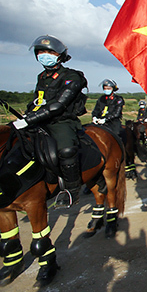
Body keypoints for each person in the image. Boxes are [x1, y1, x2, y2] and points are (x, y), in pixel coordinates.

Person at [13, 35, 88, 208]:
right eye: (41, 52)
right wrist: (26, 116)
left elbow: (58, 106)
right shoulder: (42, 77)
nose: (44, 54)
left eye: (49, 51)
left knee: (66, 149)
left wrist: (30, 119)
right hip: (39, 120)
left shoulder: (72, 76)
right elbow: (37, 101)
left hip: (61, 122)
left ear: (60, 55)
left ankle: (71, 190)